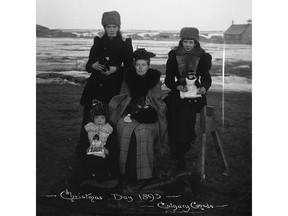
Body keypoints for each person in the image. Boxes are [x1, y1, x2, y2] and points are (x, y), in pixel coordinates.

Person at [76, 10, 133, 156]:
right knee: (89, 121)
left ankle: (110, 153)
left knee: (109, 121)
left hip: (113, 88)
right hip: (94, 87)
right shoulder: (98, 42)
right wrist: (94, 66)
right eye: (108, 27)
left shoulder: (125, 43)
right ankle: (85, 152)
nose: (112, 30)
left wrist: (116, 69)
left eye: (114, 26)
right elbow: (89, 65)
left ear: (119, 27)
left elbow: (129, 67)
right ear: (104, 27)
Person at [108, 48, 168, 181]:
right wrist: (132, 108)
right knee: (122, 128)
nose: (140, 68)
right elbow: (122, 97)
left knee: (144, 131)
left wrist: (146, 107)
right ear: (134, 65)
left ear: (148, 65)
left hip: (148, 114)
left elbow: (157, 100)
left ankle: (144, 173)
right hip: (128, 112)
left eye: (143, 65)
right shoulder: (128, 78)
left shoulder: (154, 79)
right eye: (138, 65)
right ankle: (125, 170)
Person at [164, 27, 212, 172]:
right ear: (181, 41)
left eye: (191, 42)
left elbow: (206, 78)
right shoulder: (174, 55)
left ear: (196, 43)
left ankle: (183, 150)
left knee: (186, 114)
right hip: (180, 91)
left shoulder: (202, 56)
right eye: (186, 41)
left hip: (195, 93)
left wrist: (204, 87)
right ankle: (174, 145)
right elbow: (168, 79)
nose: (188, 45)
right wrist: (177, 87)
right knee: (168, 108)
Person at [75, 100, 119, 188]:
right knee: (90, 165)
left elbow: (115, 149)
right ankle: (90, 181)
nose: (99, 120)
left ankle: (102, 182)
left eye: (102, 117)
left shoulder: (110, 129)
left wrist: (107, 151)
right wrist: (86, 150)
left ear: (106, 118)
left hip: (105, 160)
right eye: (96, 117)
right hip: (90, 159)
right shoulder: (88, 128)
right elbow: (80, 148)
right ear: (92, 117)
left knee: (106, 168)